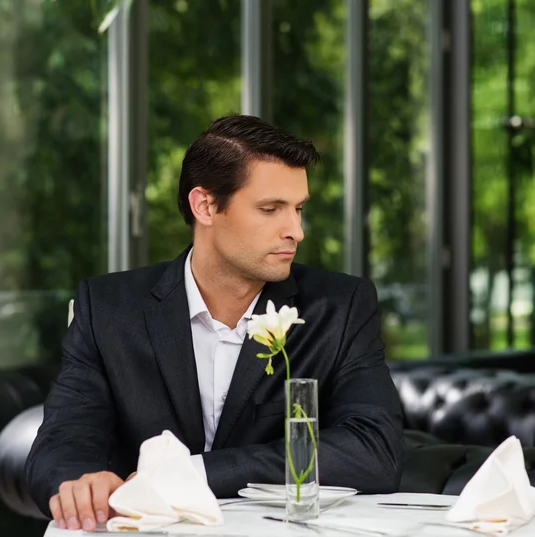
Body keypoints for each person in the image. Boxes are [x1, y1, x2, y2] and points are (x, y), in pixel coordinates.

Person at [25, 114, 405, 531]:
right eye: (270, 209)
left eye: (297, 209)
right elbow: (63, 442)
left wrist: (193, 475)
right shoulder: (109, 308)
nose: (296, 230)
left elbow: (374, 450)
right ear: (204, 205)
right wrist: (82, 483)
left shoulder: (340, 305)